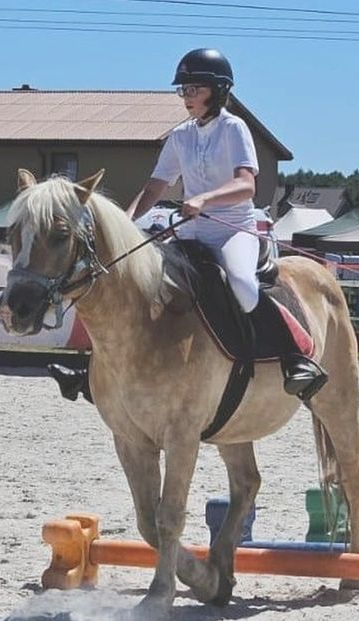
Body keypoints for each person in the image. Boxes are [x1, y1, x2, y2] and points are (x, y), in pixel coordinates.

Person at [49, 48, 327, 404]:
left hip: (231, 231)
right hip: (191, 232)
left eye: (194, 89)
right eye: (183, 90)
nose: (186, 96)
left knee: (243, 284)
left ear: (218, 90)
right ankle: (94, 371)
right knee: (135, 284)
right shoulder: (180, 136)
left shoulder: (234, 128)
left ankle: (295, 358)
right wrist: (125, 223)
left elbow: (247, 185)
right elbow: (155, 187)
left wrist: (204, 200)